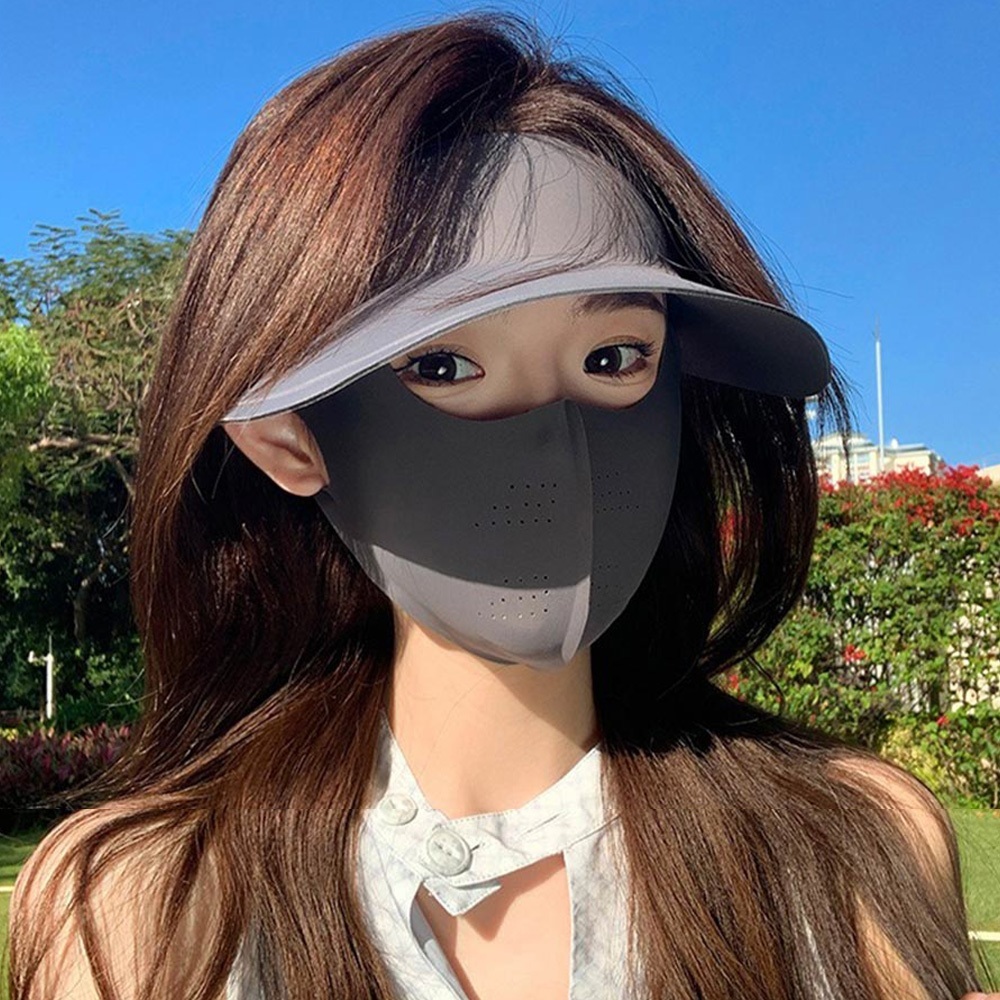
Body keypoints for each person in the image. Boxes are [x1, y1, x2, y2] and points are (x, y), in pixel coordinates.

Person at [8, 13, 995, 1000]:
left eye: (614, 357)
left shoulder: (848, 853)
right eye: (443, 365)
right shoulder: (137, 911)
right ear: (288, 438)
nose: (555, 445)